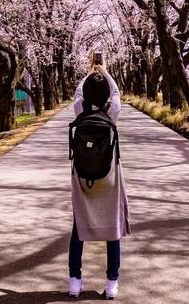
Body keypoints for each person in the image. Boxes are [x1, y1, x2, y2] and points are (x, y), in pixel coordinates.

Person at [68, 53, 131, 300]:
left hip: (82, 178)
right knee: (112, 227)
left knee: (78, 229)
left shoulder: (79, 109)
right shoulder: (111, 110)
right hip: (109, 177)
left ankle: (75, 282)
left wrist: (89, 72)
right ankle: (111, 283)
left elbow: (77, 93)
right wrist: (104, 72)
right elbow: (116, 93)